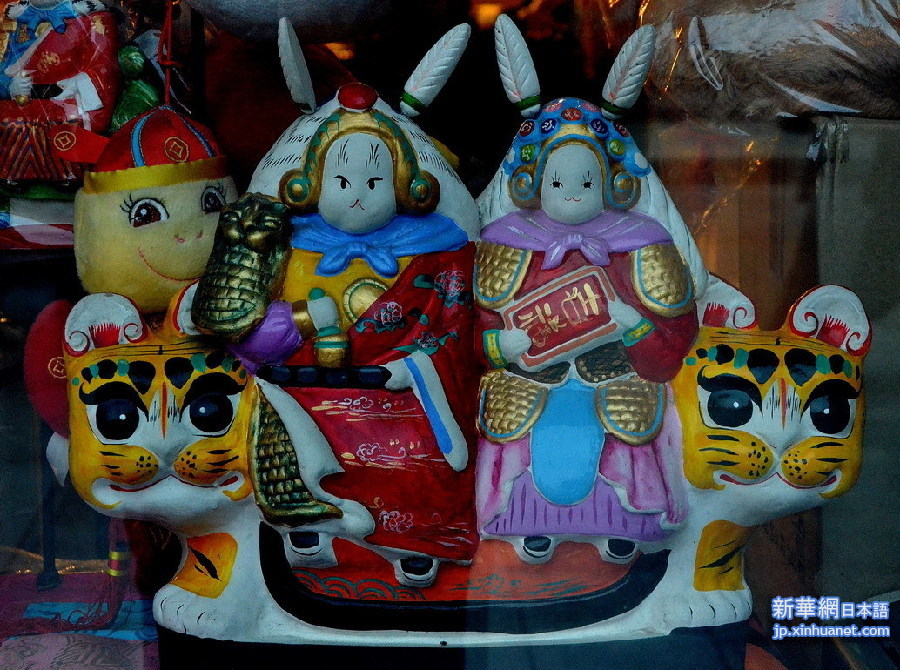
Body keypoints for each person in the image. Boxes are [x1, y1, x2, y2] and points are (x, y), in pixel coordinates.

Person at [476, 98, 697, 563]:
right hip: (528, 385)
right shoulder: (506, 242)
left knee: (625, 443)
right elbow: (470, 329)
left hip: (618, 380)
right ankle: (531, 529)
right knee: (520, 444)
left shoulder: (643, 243)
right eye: (558, 181)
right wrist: (499, 345)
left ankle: (622, 529)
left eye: (586, 181)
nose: (572, 193)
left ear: (610, 182)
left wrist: (637, 328)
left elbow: (677, 337)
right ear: (535, 182)